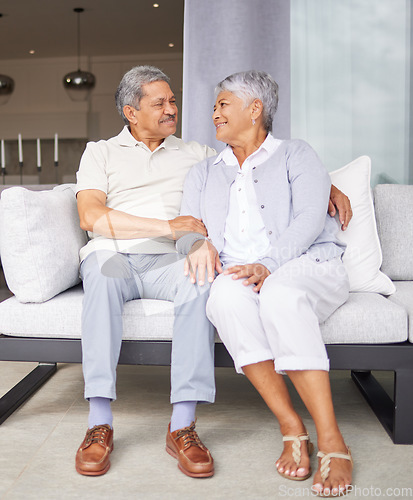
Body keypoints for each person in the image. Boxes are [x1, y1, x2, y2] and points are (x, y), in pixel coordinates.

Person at [74, 65, 351, 480]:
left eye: (173, 100)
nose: (173, 109)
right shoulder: (101, 152)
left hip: (173, 260)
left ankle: (183, 425)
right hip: (115, 254)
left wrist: (325, 184)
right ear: (131, 112)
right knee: (100, 272)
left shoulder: (197, 155)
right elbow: (90, 216)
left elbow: (252, 164)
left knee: (203, 280)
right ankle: (99, 421)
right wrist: (168, 228)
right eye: (160, 103)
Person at [178, 70, 353, 497]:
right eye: (215, 105)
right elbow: (187, 226)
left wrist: (270, 265)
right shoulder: (204, 172)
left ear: (254, 109)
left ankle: (332, 439)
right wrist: (198, 242)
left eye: (223, 104)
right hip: (240, 270)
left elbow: (312, 218)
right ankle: (292, 426)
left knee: (279, 293)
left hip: (307, 264)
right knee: (222, 301)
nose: (213, 112)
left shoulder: (296, 154)